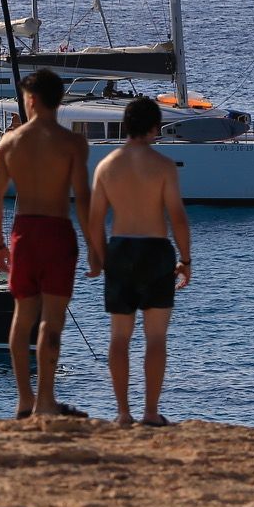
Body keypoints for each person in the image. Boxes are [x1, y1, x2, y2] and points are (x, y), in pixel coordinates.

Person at [0, 68, 93, 419]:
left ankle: (23, 401)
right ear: (59, 100)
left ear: (30, 100)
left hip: (23, 233)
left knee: (23, 316)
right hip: (58, 231)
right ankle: (46, 400)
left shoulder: (10, 142)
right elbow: (84, 199)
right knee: (53, 320)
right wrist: (95, 246)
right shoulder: (73, 143)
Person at [84, 95, 191, 427]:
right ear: (154, 127)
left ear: (126, 126)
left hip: (121, 250)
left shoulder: (106, 166)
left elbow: (95, 220)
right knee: (156, 338)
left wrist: (99, 259)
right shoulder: (163, 166)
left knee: (119, 336)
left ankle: (123, 413)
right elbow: (178, 218)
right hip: (156, 250)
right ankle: (150, 411)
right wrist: (186, 260)